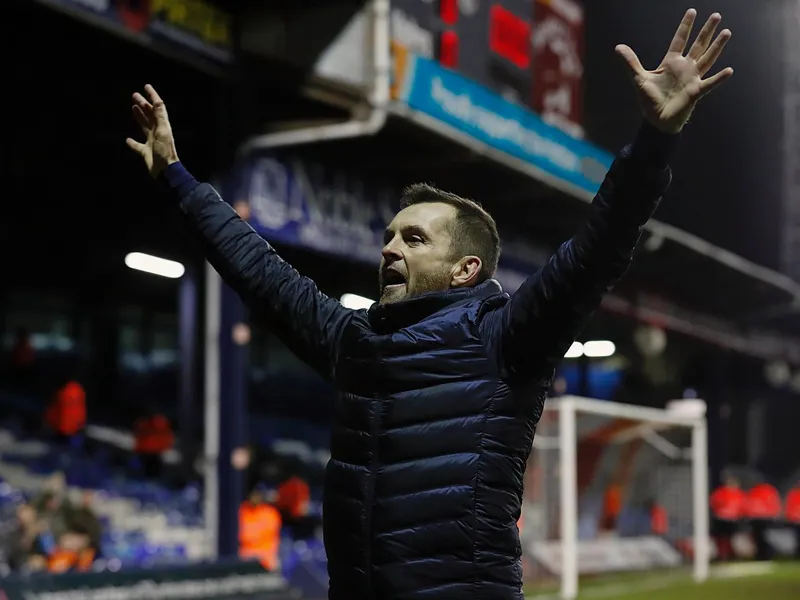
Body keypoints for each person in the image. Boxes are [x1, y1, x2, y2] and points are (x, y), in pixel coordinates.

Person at [127, 10, 732, 599]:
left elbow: (598, 247)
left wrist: (654, 142)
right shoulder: (354, 342)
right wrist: (178, 178)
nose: (390, 247)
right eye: (389, 236)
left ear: (467, 269)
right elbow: (259, 271)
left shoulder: (505, 336)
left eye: (413, 239)